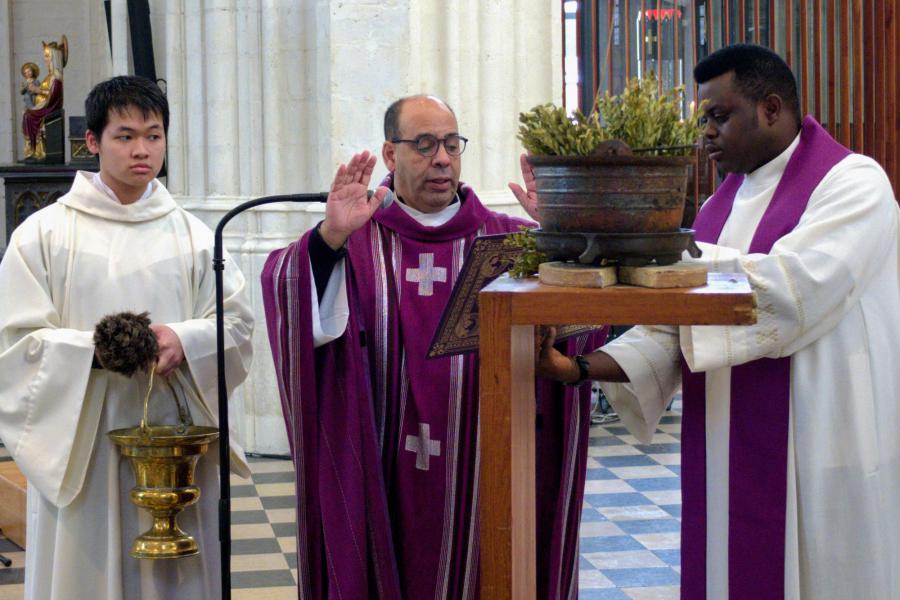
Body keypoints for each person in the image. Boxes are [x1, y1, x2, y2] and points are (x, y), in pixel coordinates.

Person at [538, 44, 899, 600]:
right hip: (726, 450)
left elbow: (791, 289)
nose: (706, 132)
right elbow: (672, 328)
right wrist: (579, 368)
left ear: (771, 109)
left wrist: (644, 252)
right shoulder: (716, 208)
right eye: (703, 118)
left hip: (822, 442)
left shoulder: (853, 184)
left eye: (719, 116)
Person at [262, 95, 606, 599]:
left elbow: (584, 326)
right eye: (423, 145)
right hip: (381, 467)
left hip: (490, 470)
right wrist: (328, 237)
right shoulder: (354, 241)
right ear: (390, 153)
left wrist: (564, 236)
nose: (442, 158)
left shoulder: (513, 243)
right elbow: (286, 288)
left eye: (451, 144)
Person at [0, 75, 254, 600]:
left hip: (173, 434)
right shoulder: (43, 234)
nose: (142, 150)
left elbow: (236, 324)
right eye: (125, 136)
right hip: (83, 441)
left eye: (154, 135)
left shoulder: (193, 235)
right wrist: (92, 353)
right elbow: (13, 341)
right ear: (92, 141)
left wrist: (183, 339)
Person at [22, 38, 66, 160]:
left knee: (28, 116)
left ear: (54, 58)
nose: (45, 59)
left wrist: (37, 90)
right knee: (27, 114)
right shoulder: (50, 76)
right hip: (45, 105)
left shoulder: (56, 76)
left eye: (47, 56)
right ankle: (34, 149)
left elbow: (53, 95)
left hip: (50, 107)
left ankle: (37, 151)